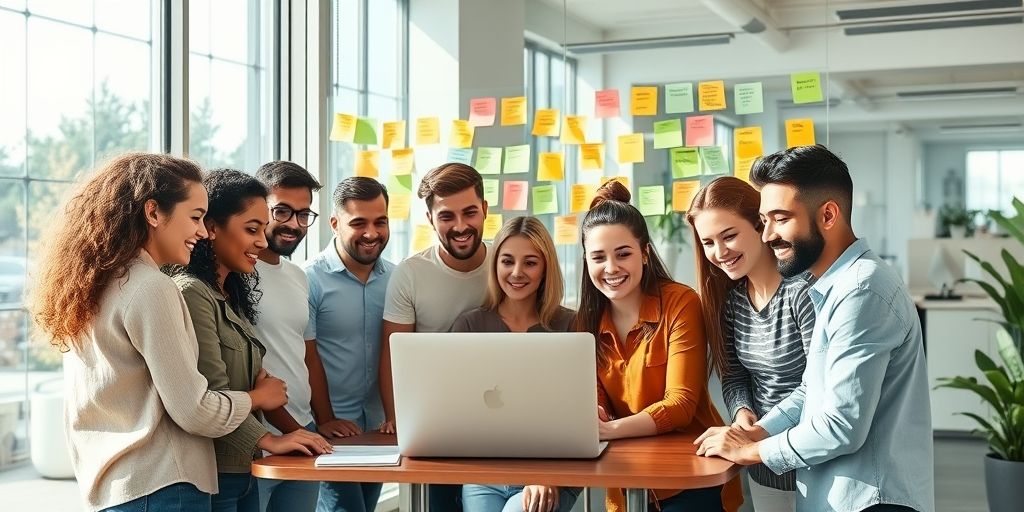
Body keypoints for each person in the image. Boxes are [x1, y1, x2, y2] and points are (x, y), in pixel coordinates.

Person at [31, 153, 287, 512]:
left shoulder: (90, 286)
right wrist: (258, 398)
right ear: (153, 213)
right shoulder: (153, 288)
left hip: (114, 490)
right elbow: (196, 411)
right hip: (165, 487)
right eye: (196, 218)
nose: (202, 232)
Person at [695, 145, 935, 512]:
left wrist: (751, 450)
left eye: (780, 218)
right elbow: (813, 389)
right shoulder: (834, 286)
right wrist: (756, 430)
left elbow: (840, 426)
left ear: (827, 215)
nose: (767, 235)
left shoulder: (861, 290)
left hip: (870, 500)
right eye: (765, 220)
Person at [168, 169, 332, 512]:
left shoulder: (232, 292)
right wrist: (267, 426)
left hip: (243, 462)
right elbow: (213, 395)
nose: (262, 240)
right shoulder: (193, 293)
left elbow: (259, 377)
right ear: (212, 228)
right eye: (252, 229)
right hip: (220, 468)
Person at [574, 181, 742, 512]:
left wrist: (609, 429)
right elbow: (594, 398)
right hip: (626, 479)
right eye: (598, 257)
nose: (611, 268)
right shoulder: (588, 321)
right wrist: (594, 415)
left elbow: (680, 404)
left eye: (623, 254)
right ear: (586, 261)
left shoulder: (681, 302)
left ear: (645, 254)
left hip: (692, 474)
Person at [686, 176, 814, 511]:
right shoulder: (733, 302)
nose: (720, 252)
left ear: (761, 226)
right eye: (709, 243)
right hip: (762, 463)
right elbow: (734, 376)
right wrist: (742, 414)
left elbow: (817, 386)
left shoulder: (803, 293)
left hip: (811, 458)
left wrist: (758, 431)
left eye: (729, 236)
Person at [379, 162, 491, 511]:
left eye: (470, 212)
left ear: (485, 209)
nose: (460, 226)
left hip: (496, 411)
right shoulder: (411, 274)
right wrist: (399, 423)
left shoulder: (507, 263)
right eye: (446, 216)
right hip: (433, 421)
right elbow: (391, 355)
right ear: (429, 218)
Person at [453, 216, 579, 512]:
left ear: (546, 267)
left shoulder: (570, 324)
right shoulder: (470, 325)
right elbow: (457, 408)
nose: (517, 272)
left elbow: (575, 415)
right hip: (484, 472)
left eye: (530, 263)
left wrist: (550, 474)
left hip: (551, 473)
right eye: (507, 261)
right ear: (495, 265)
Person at [304, 177, 394, 512]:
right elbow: (307, 354)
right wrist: (325, 419)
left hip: (380, 429)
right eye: (358, 222)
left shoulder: (397, 279)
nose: (371, 233)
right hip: (332, 434)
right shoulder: (310, 279)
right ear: (334, 223)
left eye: (380, 221)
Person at [252, 161, 327, 512]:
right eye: (281, 211)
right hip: (262, 435)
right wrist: (292, 429)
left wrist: (320, 422)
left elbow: (306, 355)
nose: (294, 225)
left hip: (302, 427)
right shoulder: (239, 274)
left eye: (303, 214)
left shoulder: (299, 276)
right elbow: (248, 369)